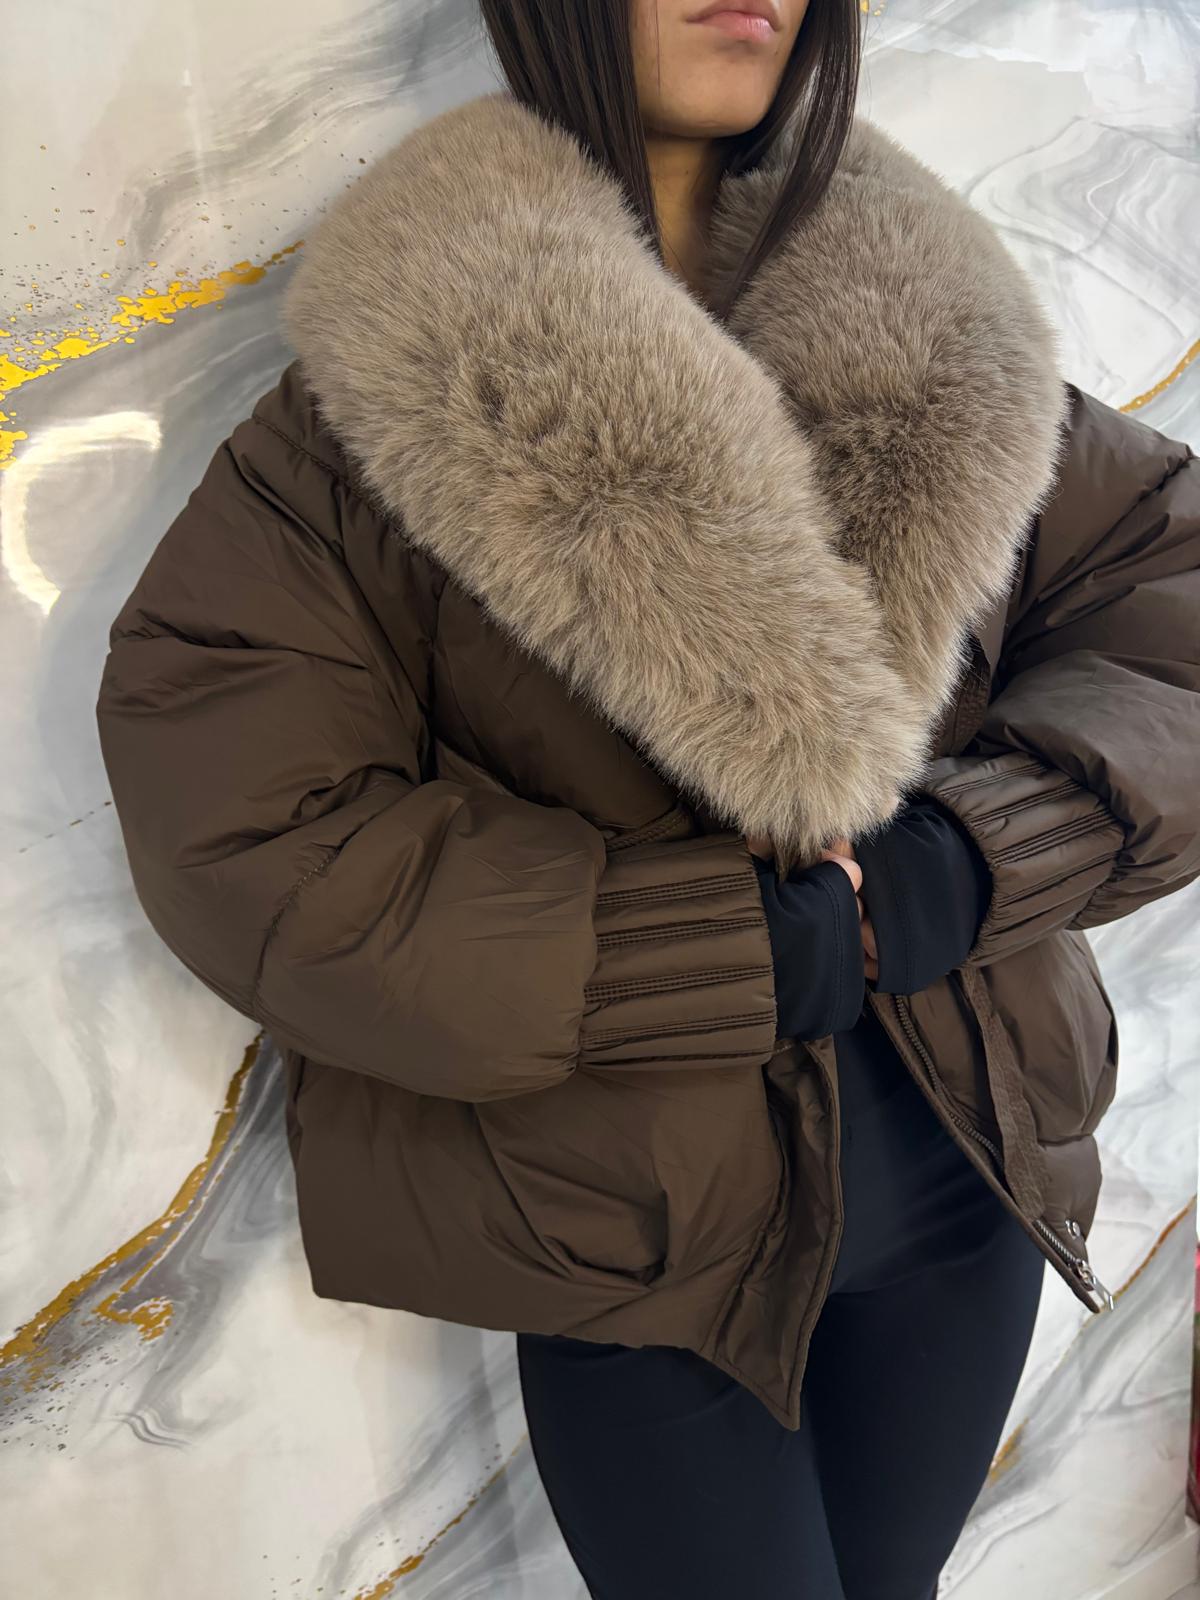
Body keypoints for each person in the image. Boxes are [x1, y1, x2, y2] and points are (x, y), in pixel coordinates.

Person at [94, 1, 1199, 1595]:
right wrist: (697, 949)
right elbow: (248, 826)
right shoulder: (382, 412)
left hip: (973, 1174)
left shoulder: (943, 335)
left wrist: (988, 848)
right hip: (635, 1248)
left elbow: (1168, 607)